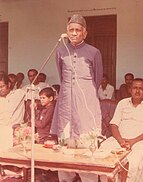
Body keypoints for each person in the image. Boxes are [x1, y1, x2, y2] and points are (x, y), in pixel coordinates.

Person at [50, 14, 103, 182]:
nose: (74, 33)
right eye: (71, 30)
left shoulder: (94, 52)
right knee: (66, 148)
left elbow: (98, 77)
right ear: (66, 32)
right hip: (66, 101)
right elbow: (61, 75)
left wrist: (83, 91)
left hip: (86, 101)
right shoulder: (60, 51)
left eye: (78, 30)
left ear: (85, 33)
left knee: (86, 146)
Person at [100, 78, 143, 182]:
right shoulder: (122, 103)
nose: (137, 91)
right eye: (135, 88)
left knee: (135, 160)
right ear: (130, 89)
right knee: (103, 153)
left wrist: (133, 141)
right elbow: (114, 124)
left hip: (138, 141)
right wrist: (121, 141)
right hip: (118, 139)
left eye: (141, 89)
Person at [0, 73, 25, 150]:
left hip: (15, 134)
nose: (0, 89)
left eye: (1, 86)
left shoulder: (20, 93)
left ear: (9, 84)